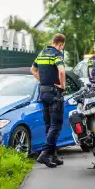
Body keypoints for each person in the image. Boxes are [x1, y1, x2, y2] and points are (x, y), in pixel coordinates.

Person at [30, 33, 66, 168]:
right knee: (56, 125)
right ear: (61, 44)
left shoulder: (42, 53)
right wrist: (62, 86)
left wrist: (43, 81)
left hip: (43, 92)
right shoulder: (57, 54)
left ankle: (53, 156)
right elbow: (62, 72)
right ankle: (45, 153)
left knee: (48, 125)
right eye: (62, 46)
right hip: (54, 93)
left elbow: (32, 69)